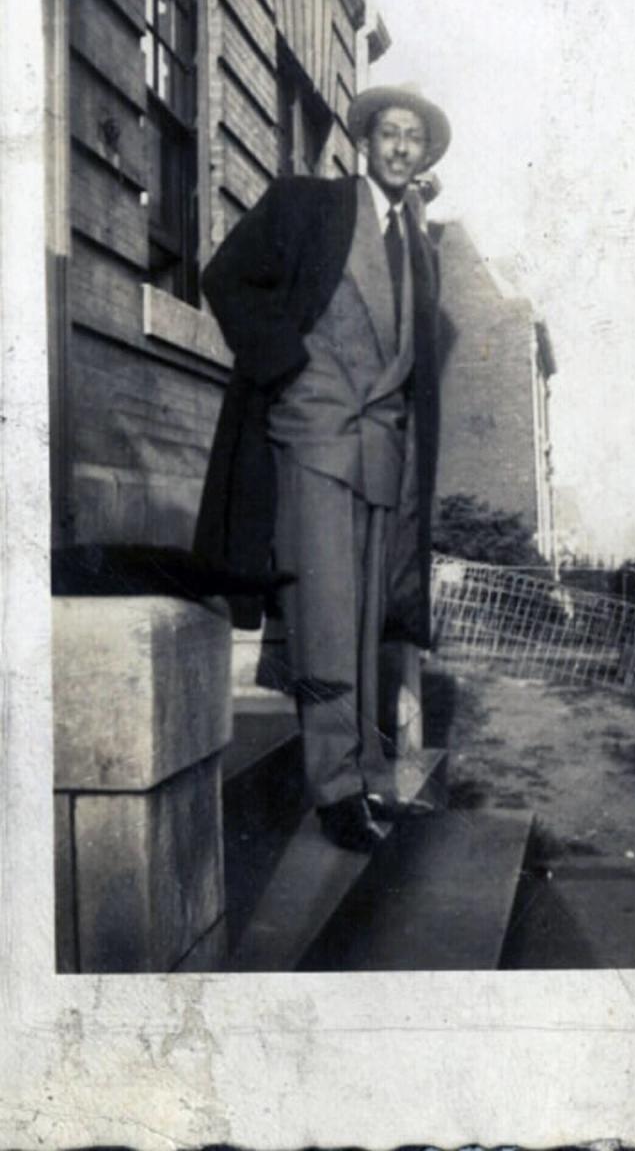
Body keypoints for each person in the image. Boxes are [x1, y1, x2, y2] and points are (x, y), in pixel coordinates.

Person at [194, 85, 450, 851]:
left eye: (415, 139)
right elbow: (225, 277)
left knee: (371, 621)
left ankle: (369, 775)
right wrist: (290, 363)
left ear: (423, 157)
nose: (402, 147)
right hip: (313, 437)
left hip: (381, 453)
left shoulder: (422, 245)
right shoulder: (310, 204)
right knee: (327, 620)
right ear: (364, 143)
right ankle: (334, 790)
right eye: (390, 134)